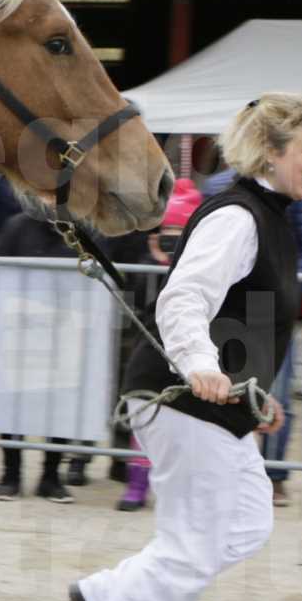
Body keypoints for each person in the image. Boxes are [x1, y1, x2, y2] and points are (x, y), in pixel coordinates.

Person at [61, 93, 302, 601]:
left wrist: (257, 394)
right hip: (181, 397)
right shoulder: (236, 217)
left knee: (247, 524)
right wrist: (204, 365)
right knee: (194, 546)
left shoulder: (269, 217)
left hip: (219, 407)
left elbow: (248, 319)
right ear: (272, 151)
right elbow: (184, 300)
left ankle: (105, 595)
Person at [203, 159, 302, 506]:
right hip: (227, 309)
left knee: (278, 394)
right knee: (221, 390)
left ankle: (273, 475)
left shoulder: (301, 185)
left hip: (272, 311)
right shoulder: (217, 186)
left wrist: (282, 289)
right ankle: (226, 473)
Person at [0, 209, 103, 502]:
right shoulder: (17, 226)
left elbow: (95, 274)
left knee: (60, 405)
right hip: (21, 332)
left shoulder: (81, 231)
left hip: (65, 333)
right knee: (14, 404)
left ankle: (50, 477)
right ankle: (10, 474)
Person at [114, 178, 203, 512]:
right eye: (167, 235)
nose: (171, 243)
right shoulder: (146, 262)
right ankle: (136, 484)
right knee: (145, 418)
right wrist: (154, 261)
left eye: (179, 236)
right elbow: (138, 300)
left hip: (190, 351)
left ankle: (181, 488)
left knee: (187, 423)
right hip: (150, 347)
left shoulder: (201, 263)